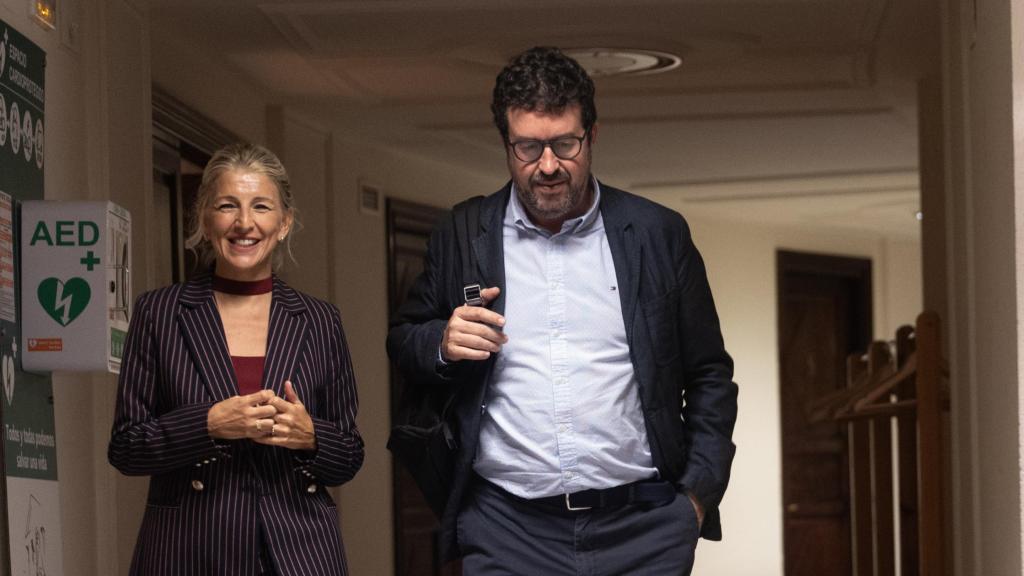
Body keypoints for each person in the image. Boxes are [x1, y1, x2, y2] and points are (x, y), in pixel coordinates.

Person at [387, 46, 738, 575]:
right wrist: (441, 341)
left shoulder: (656, 234)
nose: (547, 166)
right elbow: (402, 339)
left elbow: (709, 372)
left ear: (591, 136)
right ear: (506, 143)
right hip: (507, 529)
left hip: (645, 530)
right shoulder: (463, 232)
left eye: (564, 144)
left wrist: (694, 499)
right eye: (527, 147)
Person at [108, 143, 363, 576]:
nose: (244, 223)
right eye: (228, 206)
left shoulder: (319, 320)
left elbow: (350, 455)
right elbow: (127, 448)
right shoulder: (160, 313)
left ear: (284, 223)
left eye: (261, 207)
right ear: (205, 220)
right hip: (189, 549)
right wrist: (207, 424)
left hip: (299, 552)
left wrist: (311, 435)